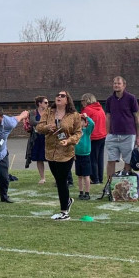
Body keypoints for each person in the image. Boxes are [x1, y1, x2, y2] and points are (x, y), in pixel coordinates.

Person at [35, 91, 83, 220]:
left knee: (62, 181)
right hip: (50, 151)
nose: (58, 97)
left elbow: (78, 133)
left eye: (62, 96)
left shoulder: (74, 115)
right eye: (57, 95)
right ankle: (67, 201)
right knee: (58, 179)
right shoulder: (49, 111)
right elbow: (38, 127)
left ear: (67, 100)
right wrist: (47, 128)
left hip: (66, 152)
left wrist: (68, 141)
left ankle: (64, 212)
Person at [105, 76, 139, 176]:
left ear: (124, 85)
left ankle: (126, 184)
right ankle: (110, 185)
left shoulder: (131, 98)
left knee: (128, 160)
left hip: (128, 134)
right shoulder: (109, 100)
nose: (116, 85)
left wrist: (138, 136)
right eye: (114, 83)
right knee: (111, 160)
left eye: (118, 83)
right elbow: (108, 117)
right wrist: (107, 133)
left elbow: (136, 117)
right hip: (113, 135)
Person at [80, 93, 107, 185]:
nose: (81, 103)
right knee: (100, 158)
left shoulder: (87, 110)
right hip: (102, 135)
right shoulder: (100, 109)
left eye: (82, 101)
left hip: (93, 136)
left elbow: (82, 122)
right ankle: (100, 177)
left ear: (86, 100)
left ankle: (95, 178)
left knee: (92, 159)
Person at [24, 96, 48, 184]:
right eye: (45, 102)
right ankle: (42, 178)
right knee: (39, 158)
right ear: (39, 103)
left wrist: (42, 124)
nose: (47, 104)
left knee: (52, 158)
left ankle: (57, 178)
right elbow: (32, 122)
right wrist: (45, 124)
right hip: (37, 138)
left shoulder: (49, 112)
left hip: (48, 137)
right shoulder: (33, 112)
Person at [75, 110, 95, 200]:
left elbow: (92, 123)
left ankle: (87, 192)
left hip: (85, 155)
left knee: (86, 175)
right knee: (79, 175)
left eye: (82, 121)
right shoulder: (75, 132)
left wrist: (86, 117)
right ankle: (81, 192)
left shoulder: (87, 131)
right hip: (77, 155)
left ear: (84, 123)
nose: (80, 123)